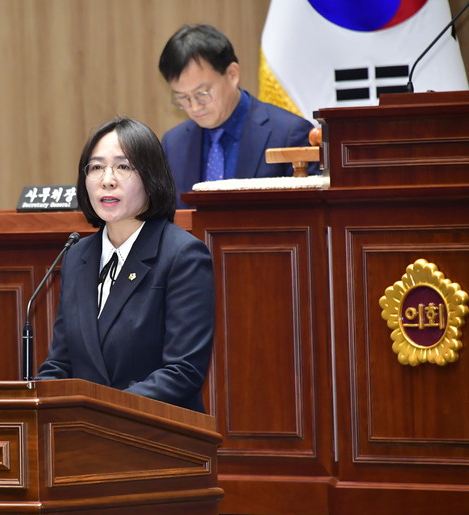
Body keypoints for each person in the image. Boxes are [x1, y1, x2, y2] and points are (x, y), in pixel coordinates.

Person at [36, 117, 215, 413]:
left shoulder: (183, 255)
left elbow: (182, 371)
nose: (107, 179)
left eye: (123, 166)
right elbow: (61, 362)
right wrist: (38, 405)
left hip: (156, 430)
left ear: (151, 177)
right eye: (96, 167)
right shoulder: (77, 256)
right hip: (87, 431)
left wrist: (102, 412)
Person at [158, 24, 317, 208]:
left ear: (232, 74)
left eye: (202, 93)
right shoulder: (174, 144)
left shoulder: (289, 134)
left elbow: (310, 216)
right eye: (182, 98)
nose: (194, 107)